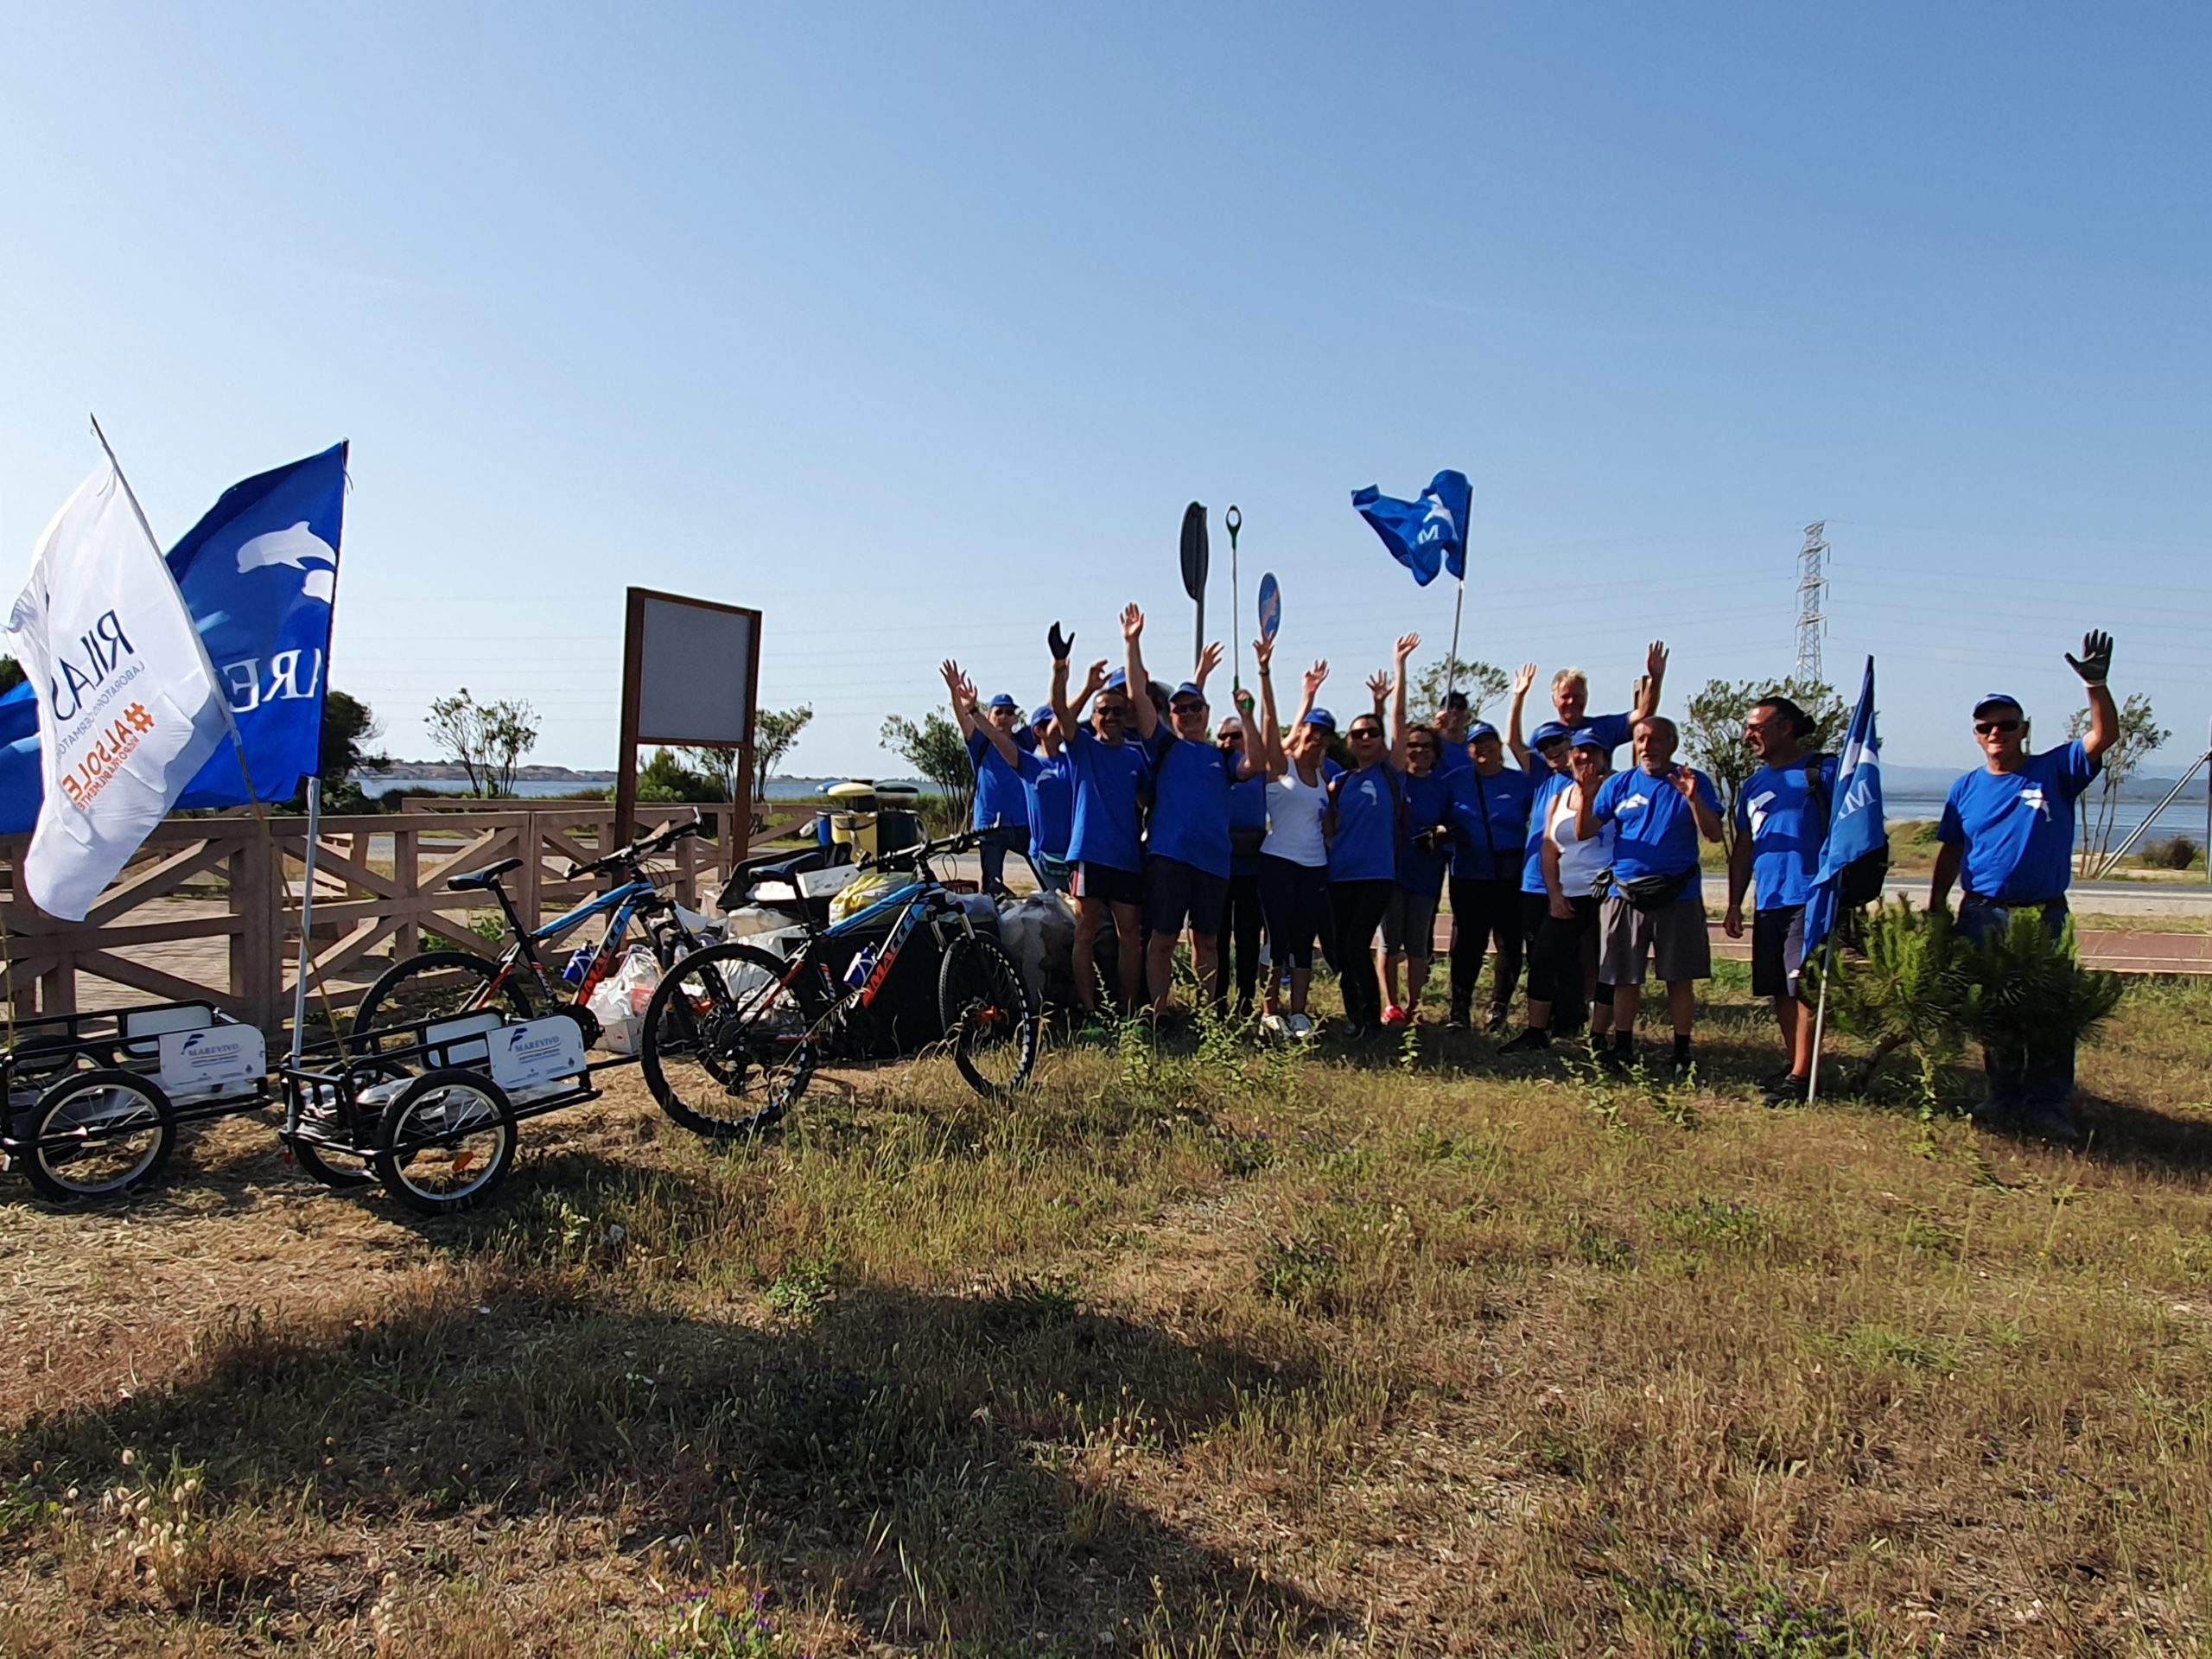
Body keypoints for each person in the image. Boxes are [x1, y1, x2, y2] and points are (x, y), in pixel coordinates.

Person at [1928, 631, 2119, 1143]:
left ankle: (2048, 1104)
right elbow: (1951, 850)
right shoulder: (1965, 788)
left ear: (2023, 730)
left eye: (2006, 725)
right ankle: (2003, 1095)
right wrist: (1936, 906)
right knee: (1995, 1010)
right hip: (1982, 914)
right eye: (1986, 726)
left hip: (2042, 915)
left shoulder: (2055, 770)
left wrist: (2095, 686)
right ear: (1976, 734)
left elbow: (2103, 737)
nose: (1996, 732)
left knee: (2050, 1013)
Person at [1122, 605, 1256, 1016]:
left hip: (1213, 862)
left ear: (1207, 713)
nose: (1188, 713)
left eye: (1195, 707)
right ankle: (1160, 1013)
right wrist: (1132, 643)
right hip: (1170, 858)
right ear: (1172, 716)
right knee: (1163, 940)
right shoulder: (1164, 745)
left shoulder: (1223, 756)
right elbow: (1138, 696)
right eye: (1180, 709)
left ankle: (1208, 1015)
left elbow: (1258, 764)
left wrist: (1248, 717)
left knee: (1208, 942)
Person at [1578, 714, 1724, 1077]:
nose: (1647, 746)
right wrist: (1586, 795)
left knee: (1679, 977)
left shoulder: (1693, 781)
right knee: (1624, 976)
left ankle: (1682, 1050)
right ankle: (1623, 1046)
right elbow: (1585, 831)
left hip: (1678, 894)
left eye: (1655, 739)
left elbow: (1714, 834)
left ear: (1672, 744)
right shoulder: (1619, 784)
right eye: (1641, 739)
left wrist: (1693, 799)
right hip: (1625, 894)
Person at [1724, 696, 1836, 1103]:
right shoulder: (1753, 786)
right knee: (1779, 989)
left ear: (1785, 728)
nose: (1748, 736)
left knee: (1802, 985)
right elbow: (1744, 847)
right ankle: (1795, 1067)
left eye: (1757, 728)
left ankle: (1804, 1075)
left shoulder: (1822, 771)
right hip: (1769, 899)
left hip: (1810, 895)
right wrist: (1735, 903)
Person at [1048, 624, 1150, 1027]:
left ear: (1126, 718)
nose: (1110, 717)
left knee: (1130, 936)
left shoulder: (1136, 758)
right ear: (1093, 718)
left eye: (1117, 711)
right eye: (1103, 711)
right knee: (1086, 933)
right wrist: (1062, 669)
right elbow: (1059, 710)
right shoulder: (1083, 748)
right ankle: (1090, 1012)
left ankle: (1128, 1012)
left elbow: (1149, 800)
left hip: (1126, 858)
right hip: (1089, 855)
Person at [1503, 730, 1619, 1053]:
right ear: (1570, 756)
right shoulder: (1560, 797)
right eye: (1579, 751)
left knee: (1607, 965)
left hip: (1607, 893)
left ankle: (1599, 1037)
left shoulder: (1616, 789)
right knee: (1543, 959)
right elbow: (1549, 848)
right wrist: (1555, 895)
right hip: (1569, 893)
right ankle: (1535, 1033)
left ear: (1604, 757)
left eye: (1593, 752)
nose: (1585, 758)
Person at [1252, 640, 1331, 1039]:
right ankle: (1270, 1011)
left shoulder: (1325, 778)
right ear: (1300, 734)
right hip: (1278, 862)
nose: (1317, 741)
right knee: (1277, 939)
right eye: (1312, 733)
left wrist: (1311, 694)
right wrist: (1265, 672)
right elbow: (1269, 719)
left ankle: (1299, 1013)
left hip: (1315, 866)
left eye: (1324, 736)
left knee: (1303, 941)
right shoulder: (1282, 768)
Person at [1444, 715, 1535, 1031]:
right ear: (1468, 750)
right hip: (1468, 874)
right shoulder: (1454, 781)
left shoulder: (1521, 783)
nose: (1483, 748)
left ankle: (1499, 1009)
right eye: (1476, 744)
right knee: (1468, 942)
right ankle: (1459, 1009)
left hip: (1510, 874)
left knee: (1509, 942)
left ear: (1499, 747)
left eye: (1488, 742)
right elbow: (1435, 814)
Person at [1382, 633, 1455, 1024]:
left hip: (1426, 873)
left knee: (1418, 945)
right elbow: (1396, 721)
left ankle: (1413, 1007)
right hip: (1393, 870)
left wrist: (1442, 831)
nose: (1419, 751)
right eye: (1413, 745)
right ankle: (1390, 1005)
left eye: (1427, 746)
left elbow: (1452, 823)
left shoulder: (1443, 786)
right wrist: (1401, 666)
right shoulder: (1396, 777)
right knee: (1389, 942)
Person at [1327, 674, 1402, 1039]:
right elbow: (1329, 828)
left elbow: (1398, 726)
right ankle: (1354, 1017)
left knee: (1358, 943)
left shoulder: (1390, 773)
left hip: (1376, 874)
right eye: (1358, 734)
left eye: (1373, 732)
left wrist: (1384, 699)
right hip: (1340, 874)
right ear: (1349, 741)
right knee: (1342, 948)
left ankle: (1372, 1019)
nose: (1366, 738)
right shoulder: (1340, 782)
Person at [941, 665, 1032, 892]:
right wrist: (954, 690)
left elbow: (1052, 715)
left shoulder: (1025, 741)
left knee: (1045, 876)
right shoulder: (980, 743)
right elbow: (964, 720)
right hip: (989, 825)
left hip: (1023, 822)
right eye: (998, 712)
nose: (1004, 717)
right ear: (988, 717)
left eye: (1009, 712)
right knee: (992, 884)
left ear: (1015, 718)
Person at [1220, 701, 1269, 1019]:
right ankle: (1217, 1000)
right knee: (1218, 936)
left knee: (1248, 936)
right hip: (1219, 864)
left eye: (1235, 736)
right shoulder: (1216, 768)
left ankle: (1246, 998)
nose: (1228, 742)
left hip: (1252, 865)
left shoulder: (1259, 771)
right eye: (1223, 737)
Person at [1547, 642, 1669, 758]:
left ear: (1586, 697)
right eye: (1565, 696)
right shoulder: (1543, 735)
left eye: (1577, 696)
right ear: (1554, 700)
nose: (1571, 701)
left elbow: (1643, 715)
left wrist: (1655, 681)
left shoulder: (1603, 728)